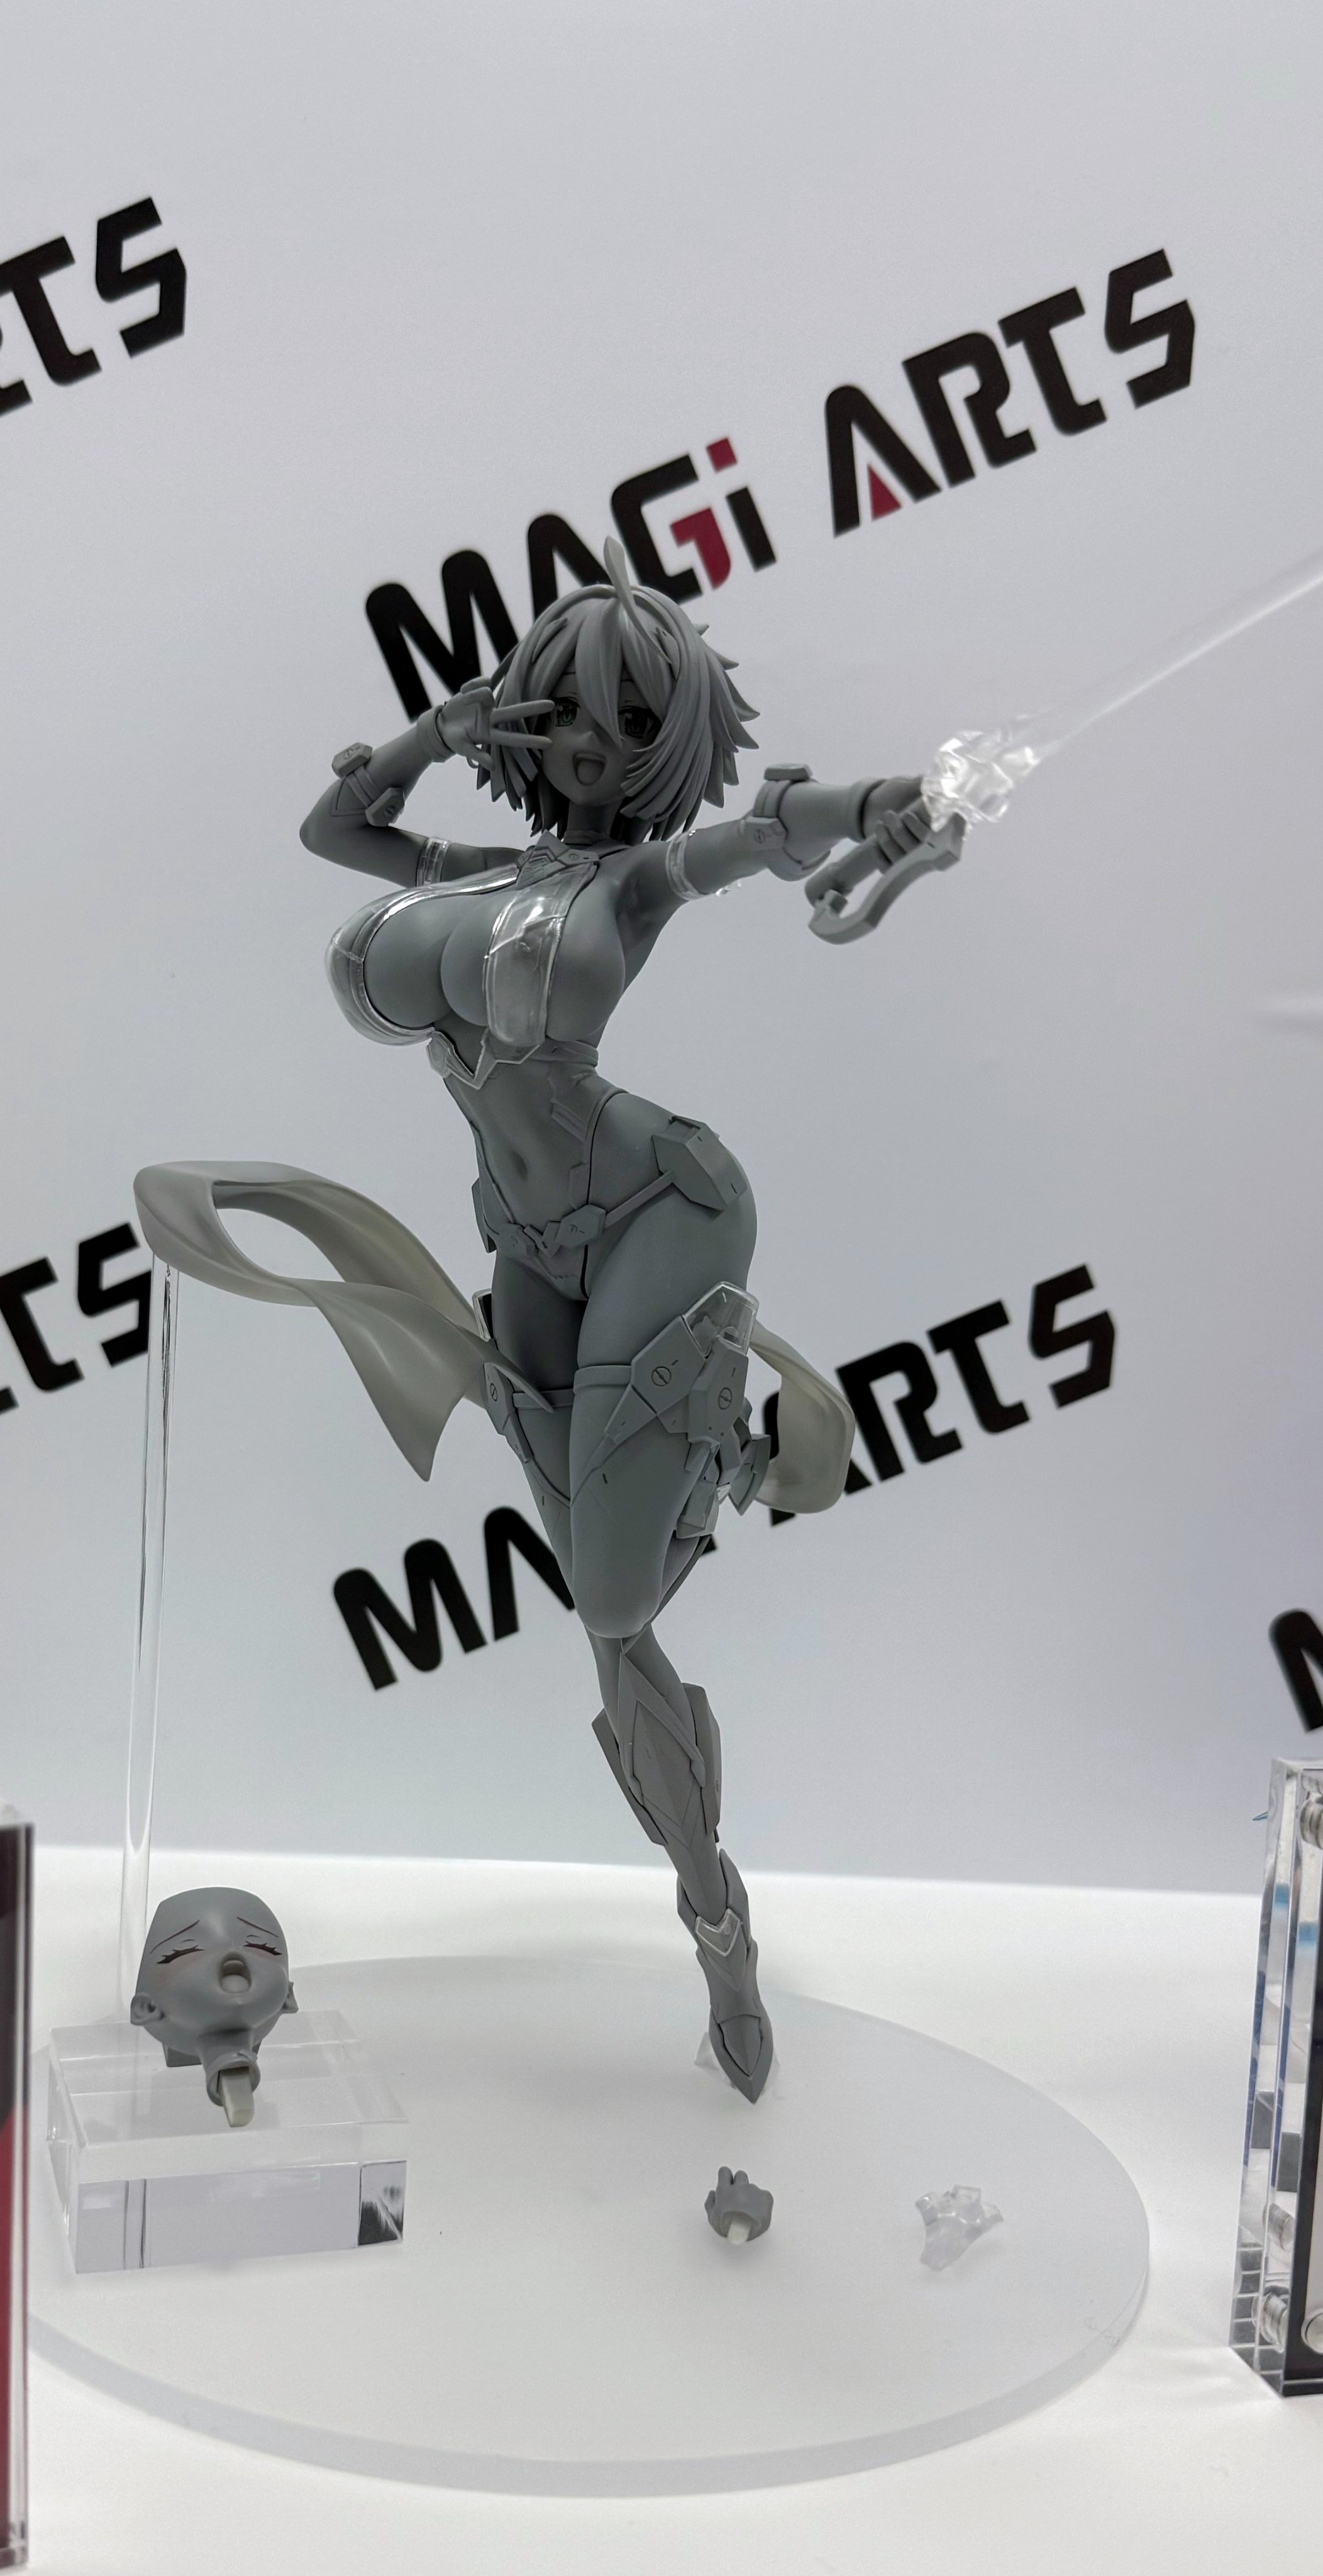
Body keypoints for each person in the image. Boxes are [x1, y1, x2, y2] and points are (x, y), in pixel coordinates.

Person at [299, 541, 955, 2101]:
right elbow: (334, 830)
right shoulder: (466, 868)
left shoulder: (629, 882)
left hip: (665, 1204)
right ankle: (718, 1911)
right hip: (527, 1235)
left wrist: (872, 807)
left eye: (634, 719)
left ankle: (726, 1462)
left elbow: (756, 841)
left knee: (607, 1592)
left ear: (668, 740)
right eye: (571, 706)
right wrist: (441, 726)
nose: (595, 743)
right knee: (614, 1615)